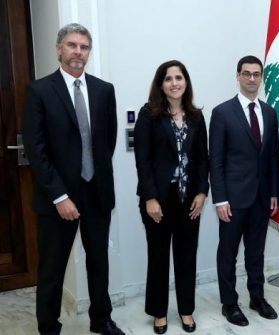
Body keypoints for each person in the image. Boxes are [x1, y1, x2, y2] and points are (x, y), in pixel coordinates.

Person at [21, 23, 124, 335]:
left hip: (97, 192)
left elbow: (108, 141)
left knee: (99, 262)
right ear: (59, 49)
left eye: (84, 47)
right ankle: (49, 327)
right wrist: (60, 196)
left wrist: (97, 177)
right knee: (52, 267)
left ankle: (101, 319)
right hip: (58, 198)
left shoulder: (104, 90)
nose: (78, 51)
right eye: (72, 45)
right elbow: (36, 150)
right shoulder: (39, 91)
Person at [134, 60, 209, 334]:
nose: (174, 83)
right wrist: (150, 198)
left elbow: (203, 159)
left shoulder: (197, 117)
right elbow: (143, 161)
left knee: (187, 256)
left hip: (189, 201)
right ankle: (159, 312)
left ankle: (186, 310)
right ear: (161, 84)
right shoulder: (149, 114)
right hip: (158, 203)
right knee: (158, 257)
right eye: (168, 79)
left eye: (179, 77)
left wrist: (202, 192)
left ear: (186, 82)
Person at [209, 55, 279, 327]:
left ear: (261, 78)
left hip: (262, 197)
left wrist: (273, 192)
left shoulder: (270, 113)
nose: (252, 78)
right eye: (247, 73)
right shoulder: (222, 112)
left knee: (256, 252)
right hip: (233, 198)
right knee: (228, 252)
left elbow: (273, 156)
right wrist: (220, 198)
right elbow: (215, 159)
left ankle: (257, 297)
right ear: (237, 76)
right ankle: (229, 303)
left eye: (256, 74)